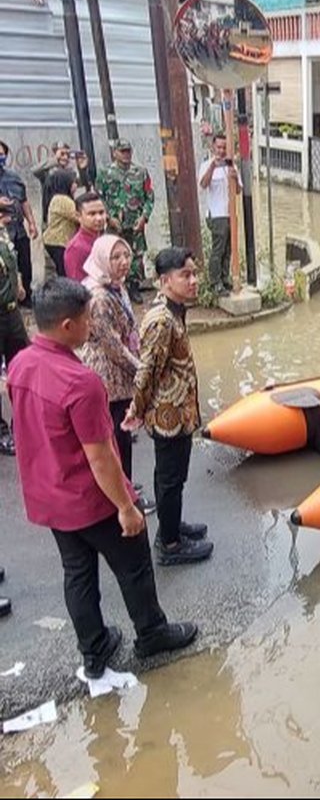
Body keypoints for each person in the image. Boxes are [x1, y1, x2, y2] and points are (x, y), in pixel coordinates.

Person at [7, 277, 198, 679]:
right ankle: (151, 633)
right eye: (86, 319)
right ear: (66, 327)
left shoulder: (21, 363)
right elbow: (100, 458)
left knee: (77, 573)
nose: (91, 326)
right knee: (133, 567)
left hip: (48, 495)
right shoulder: (82, 383)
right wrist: (126, 507)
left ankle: (94, 651)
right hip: (90, 498)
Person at [123, 247, 213, 566]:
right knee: (169, 479)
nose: (193, 280)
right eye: (185, 275)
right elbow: (147, 371)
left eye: (194, 273)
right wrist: (136, 409)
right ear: (164, 280)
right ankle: (170, 545)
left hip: (180, 410)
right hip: (167, 415)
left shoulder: (175, 309)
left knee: (175, 477)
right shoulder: (160, 320)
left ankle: (171, 527)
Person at [81, 234, 155, 514]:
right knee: (118, 441)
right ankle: (125, 500)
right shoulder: (99, 297)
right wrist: (143, 371)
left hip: (119, 373)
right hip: (109, 379)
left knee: (120, 439)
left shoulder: (113, 286)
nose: (123, 262)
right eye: (116, 257)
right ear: (102, 259)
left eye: (126, 256)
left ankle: (124, 489)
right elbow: (113, 347)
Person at [96, 139, 154, 305]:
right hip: (115, 225)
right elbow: (99, 198)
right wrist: (108, 217)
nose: (126, 154)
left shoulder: (140, 172)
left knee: (135, 257)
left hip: (135, 223)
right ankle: (116, 289)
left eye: (128, 151)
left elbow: (149, 197)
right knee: (114, 256)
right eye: (122, 151)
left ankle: (134, 287)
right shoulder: (105, 173)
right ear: (115, 153)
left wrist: (144, 217)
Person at [0, 199, 29, 457]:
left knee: (21, 366)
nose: (7, 219)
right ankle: (1, 432)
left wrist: (18, 283)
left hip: (11, 312)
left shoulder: (4, 237)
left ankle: (21, 422)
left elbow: (12, 264)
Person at [198, 132, 242, 297]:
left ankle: (225, 278)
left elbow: (238, 190)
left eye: (224, 147)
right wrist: (213, 166)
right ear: (213, 147)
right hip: (216, 215)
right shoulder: (206, 165)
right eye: (219, 147)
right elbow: (203, 184)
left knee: (229, 248)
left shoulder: (231, 165)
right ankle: (215, 282)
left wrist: (235, 178)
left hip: (230, 213)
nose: (222, 150)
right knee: (218, 249)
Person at [0, 141, 38, 307]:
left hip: (18, 230)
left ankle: (26, 298)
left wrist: (31, 223)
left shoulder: (13, 176)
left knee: (25, 264)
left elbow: (24, 201)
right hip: (2, 233)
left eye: (2, 154)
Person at [32, 141, 90, 229]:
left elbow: (83, 183)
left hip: (67, 215)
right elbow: (34, 170)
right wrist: (55, 160)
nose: (65, 157)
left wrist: (82, 169)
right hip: (50, 217)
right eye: (62, 154)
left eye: (67, 154)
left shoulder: (70, 173)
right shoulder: (48, 172)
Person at [43, 168, 79, 276]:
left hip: (54, 241)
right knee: (64, 273)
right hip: (59, 242)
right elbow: (79, 217)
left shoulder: (57, 198)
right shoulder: (63, 200)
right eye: (74, 182)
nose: (76, 185)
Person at [64, 191, 106, 282]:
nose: (99, 218)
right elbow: (77, 286)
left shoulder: (102, 240)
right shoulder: (76, 248)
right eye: (92, 214)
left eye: (101, 212)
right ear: (78, 216)